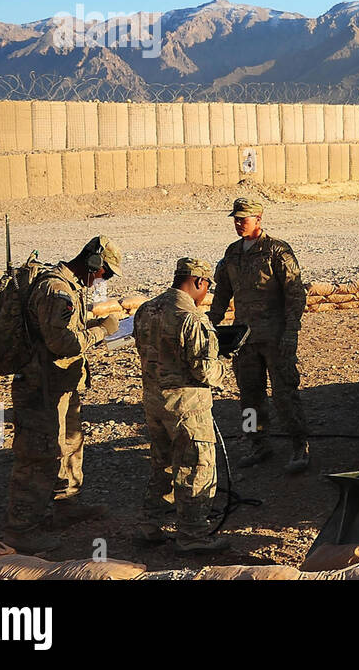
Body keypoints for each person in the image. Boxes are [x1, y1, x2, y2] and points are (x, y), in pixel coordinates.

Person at [4, 236, 124, 553]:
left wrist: (90, 323)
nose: (104, 280)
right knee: (38, 453)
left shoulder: (69, 286)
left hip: (61, 383)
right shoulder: (57, 290)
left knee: (70, 441)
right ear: (94, 263)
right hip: (41, 385)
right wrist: (103, 330)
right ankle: (22, 529)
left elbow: (63, 328)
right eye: (105, 273)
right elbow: (64, 344)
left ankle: (65, 503)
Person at [133, 258, 228, 553]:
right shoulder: (192, 317)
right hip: (187, 406)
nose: (206, 293)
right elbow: (205, 371)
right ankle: (192, 535)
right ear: (199, 282)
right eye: (206, 287)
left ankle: (151, 525)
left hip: (154, 401)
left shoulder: (146, 310)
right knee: (195, 465)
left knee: (161, 463)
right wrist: (223, 370)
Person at [208, 198, 309, 473]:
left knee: (284, 395)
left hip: (275, 337)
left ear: (258, 219)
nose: (239, 223)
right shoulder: (232, 253)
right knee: (250, 398)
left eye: (244, 219)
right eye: (236, 219)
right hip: (244, 340)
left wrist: (291, 332)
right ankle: (257, 443)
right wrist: (209, 325)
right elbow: (221, 295)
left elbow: (295, 294)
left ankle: (299, 445)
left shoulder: (277, 251)